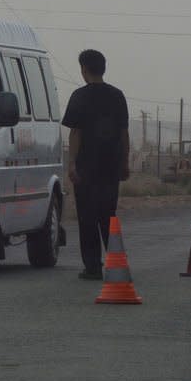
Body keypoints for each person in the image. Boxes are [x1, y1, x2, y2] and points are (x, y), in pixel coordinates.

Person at [61, 49, 130, 280]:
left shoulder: (79, 96)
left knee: (87, 216)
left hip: (86, 168)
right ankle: (116, 263)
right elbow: (124, 134)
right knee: (108, 215)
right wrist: (124, 162)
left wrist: (71, 164)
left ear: (84, 69)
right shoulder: (117, 96)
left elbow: (75, 133)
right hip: (110, 166)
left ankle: (92, 267)